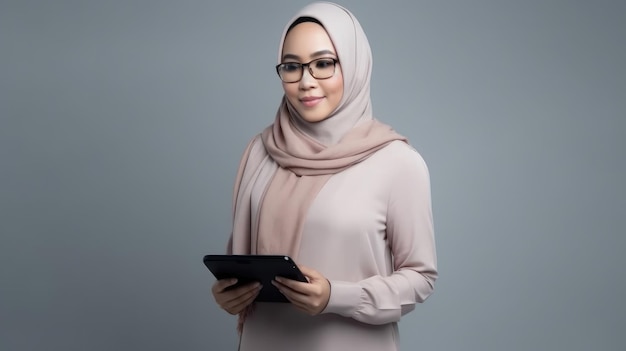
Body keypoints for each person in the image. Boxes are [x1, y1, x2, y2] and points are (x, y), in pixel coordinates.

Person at [211, 2, 437, 350]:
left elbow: (420, 278)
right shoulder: (259, 150)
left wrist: (337, 296)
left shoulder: (397, 162)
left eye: (323, 64)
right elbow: (243, 260)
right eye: (292, 66)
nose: (305, 82)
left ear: (354, 64)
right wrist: (230, 295)